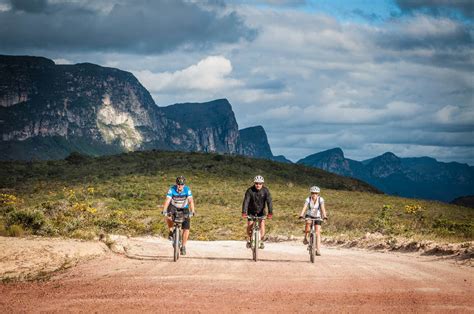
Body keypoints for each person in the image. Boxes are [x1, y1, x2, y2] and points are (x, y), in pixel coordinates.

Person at [163, 175, 195, 256]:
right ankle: (171, 230)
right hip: (174, 207)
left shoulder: (187, 190)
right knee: (168, 215)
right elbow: (167, 200)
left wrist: (193, 211)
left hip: (184, 208)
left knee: (186, 228)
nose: (180, 186)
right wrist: (164, 210)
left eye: (181, 184)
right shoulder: (172, 189)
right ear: (176, 184)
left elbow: (191, 201)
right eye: (178, 184)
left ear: (184, 185)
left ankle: (183, 246)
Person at [242, 175, 273, 249]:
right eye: (256, 183)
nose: (258, 185)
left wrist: (270, 213)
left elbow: (269, 202)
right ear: (254, 183)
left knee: (262, 225)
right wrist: (244, 212)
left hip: (261, 212)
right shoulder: (250, 190)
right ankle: (249, 240)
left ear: (262, 184)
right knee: (250, 225)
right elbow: (246, 201)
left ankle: (261, 241)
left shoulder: (265, 191)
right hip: (251, 211)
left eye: (260, 183)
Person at [299, 186, 328, 256]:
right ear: (311, 193)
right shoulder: (308, 199)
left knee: (317, 232)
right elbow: (304, 207)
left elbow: (322, 208)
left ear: (318, 194)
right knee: (308, 222)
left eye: (316, 193)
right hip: (309, 215)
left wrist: (325, 216)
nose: (314, 194)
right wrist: (301, 215)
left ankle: (318, 250)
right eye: (313, 193)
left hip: (318, 216)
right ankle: (306, 237)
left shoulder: (320, 199)